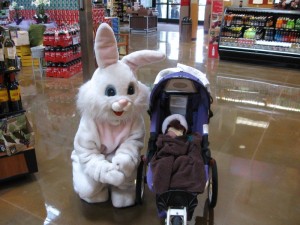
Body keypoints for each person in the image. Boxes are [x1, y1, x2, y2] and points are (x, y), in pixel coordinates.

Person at [150, 114, 206, 194]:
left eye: (178, 131)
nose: (173, 134)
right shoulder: (163, 138)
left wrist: (194, 138)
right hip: (167, 155)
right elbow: (159, 146)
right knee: (162, 163)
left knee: (185, 161)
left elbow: (195, 139)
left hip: (181, 154)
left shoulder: (186, 138)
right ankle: (174, 183)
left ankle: (177, 182)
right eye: (171, 131)